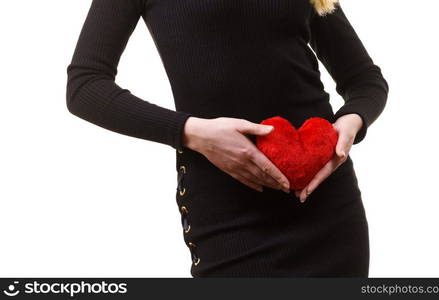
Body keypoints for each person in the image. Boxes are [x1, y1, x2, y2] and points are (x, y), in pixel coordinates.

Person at [66, 0, 388, 277]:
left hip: (327, 207)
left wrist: (350, 124)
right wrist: (192, 132)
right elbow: (85, 86)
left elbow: (364, 80)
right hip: (228, 215)